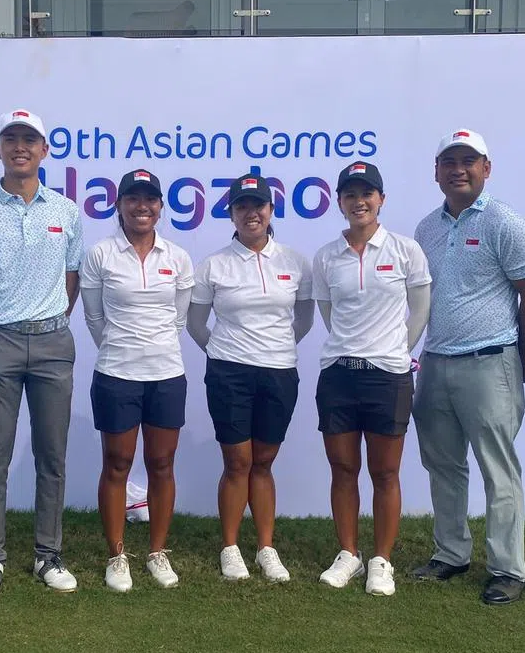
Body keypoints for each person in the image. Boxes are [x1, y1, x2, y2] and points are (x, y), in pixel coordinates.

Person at [410, 130, 525, 605]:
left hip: (490, 361)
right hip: (435, 362)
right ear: (436, 172)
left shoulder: (503, 222)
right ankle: (451, 553)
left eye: (469, 160)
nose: (458, 169)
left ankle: (508, 568)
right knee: (443, 464)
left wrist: (520, 354)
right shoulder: (426, 228)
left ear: (486, 169)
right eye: (449, 161)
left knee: (498, 469)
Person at [0, 109, 83, 599]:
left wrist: (45, 320)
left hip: (53, 342)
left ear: (44, 150)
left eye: (30, 139)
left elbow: (70, 281)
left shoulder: (66, 212)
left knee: (52, 454)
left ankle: (48, 554)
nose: (21, 147)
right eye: (11, 139)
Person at [187, 173, 314, 582]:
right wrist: (225, 352)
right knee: (237, 461)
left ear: (271, 210)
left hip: (279, 372)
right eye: (242, 206)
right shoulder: (214, 264)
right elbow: (195, 323)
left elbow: (304, 319)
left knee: (264, 461)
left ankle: (265, 547)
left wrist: (274, 347)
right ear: (232, 213)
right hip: (229, 373)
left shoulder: (295, 262)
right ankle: (230, 548)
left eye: (258, 205)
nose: (251, 213)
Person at [312, 161, 431, 596]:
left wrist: (397, 350)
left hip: (389, 377)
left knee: (385, 472)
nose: (358, 201)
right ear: (339, 201)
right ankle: (349, 554)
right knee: (343, 469)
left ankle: (381, 560)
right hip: (339, 374)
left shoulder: (404, 250)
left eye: (367, 193)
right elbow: (329, 314)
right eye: (350, 194)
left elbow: (419, 310)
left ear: (381, 199)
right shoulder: (326, 256)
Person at [80, 169, 194, 592]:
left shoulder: (177, 257)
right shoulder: (101, 254)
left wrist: (153, 348)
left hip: (166, 374)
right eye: (132, 198)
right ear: (120, 205)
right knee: (117, 465)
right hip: (116, 374)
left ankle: (157, 552)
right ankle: (117, 555)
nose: (141, 206)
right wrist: (122, 349)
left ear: (160, 207)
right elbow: (94, 317)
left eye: (149, 199)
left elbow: (179, 319)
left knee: (162, 465)